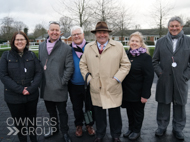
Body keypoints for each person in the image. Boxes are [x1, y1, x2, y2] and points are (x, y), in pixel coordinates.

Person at [80, 21, 131, 142]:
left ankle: (116, 135)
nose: (101, 35)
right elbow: (82, 64)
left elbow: (126, 64)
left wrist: (116, 79)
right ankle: (100, 134)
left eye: (104, 32)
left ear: (108, 34)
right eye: (99, 32)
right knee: (99, 113)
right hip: (95, 86)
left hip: (112, 86)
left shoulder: (118, 46)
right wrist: (89, 79)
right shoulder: (88, 47)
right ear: (95, 34)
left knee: (115, 114)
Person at [0, 31, 43, 142]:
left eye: (22, 39)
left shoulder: (32, 55)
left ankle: (34, 140)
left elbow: (39, 72)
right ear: (13, 42)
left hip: (31, 96)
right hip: (13, 98)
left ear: (26, 41)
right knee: (19, 124)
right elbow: (3, 76)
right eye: (17, 39)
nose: (20, 42)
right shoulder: (6, 56)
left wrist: (31, 88)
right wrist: (20, 90)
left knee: (32, 122)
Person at [152, 16, 190, 140]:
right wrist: (160, 74)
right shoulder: (161, 42)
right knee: (163, 104)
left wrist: (185, 76)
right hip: (164, 80)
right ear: (168, 27)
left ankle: (178, 129)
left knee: (180, 105)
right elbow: (155, 61)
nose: (174, 28)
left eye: (176, 26)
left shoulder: (188, 41)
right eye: (172, 26)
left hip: (181, 80)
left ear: (181, 27)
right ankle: (161, 127)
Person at [39, 21, 74, 142]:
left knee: (62, 112)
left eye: (57, 30)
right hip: (46, 87)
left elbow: (69, 67)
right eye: (52, 30)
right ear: (48, 32)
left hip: (59, 87)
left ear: (60, 32)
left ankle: (65, 132)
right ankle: (54, 129)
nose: (54, 32)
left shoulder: (66, 48)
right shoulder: (41, 46)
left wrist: (62, 82)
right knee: (51, 112)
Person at [121, 32, 154, 140]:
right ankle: (130, 128)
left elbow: (149, 77)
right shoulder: (126, 54)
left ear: (141, 43)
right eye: (132, 41)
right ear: (129, 42)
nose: (134, 43)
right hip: (127, 91)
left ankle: (136, 130)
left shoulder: (145, 57)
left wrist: (145, 95)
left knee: (138, 113)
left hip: (139, 92)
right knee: (129, 112)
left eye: (136, 41)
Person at [69, 26, 95, 137]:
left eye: (78, 33)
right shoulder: (68, 49)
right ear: (71, 37)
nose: (76, 36)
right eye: (74, 34)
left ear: (83, 35)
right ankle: (78, 125)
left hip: (89, 84)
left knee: (89, 107)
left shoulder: (91, 47)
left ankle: (89, 125)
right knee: (77, 107)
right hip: (74, 85)